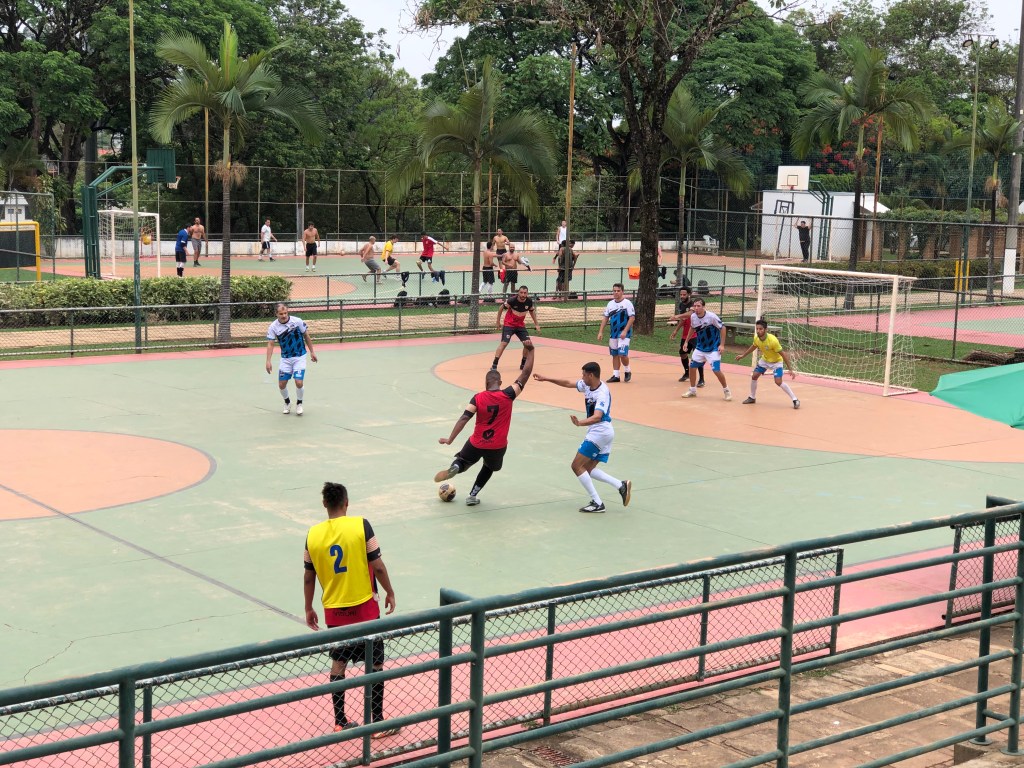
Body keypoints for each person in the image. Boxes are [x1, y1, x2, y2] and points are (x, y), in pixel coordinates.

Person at [303, 481, 399, 736]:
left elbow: (308, 576)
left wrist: (308, 607)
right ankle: (376, 722)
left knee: (339, 663)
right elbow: (377, 566)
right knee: (375, 663)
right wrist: (389, 591)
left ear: (325, 504)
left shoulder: (312, 534)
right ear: (347, 502)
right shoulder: (361, 525)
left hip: (335, 611)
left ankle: (340, 721)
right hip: (365, 609)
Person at [435, 346, 535, 506]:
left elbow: (463, 419)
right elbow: (525, 373)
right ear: (500, 382)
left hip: (476, 442)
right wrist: (531, 351)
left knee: (463, 460)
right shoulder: (508, 394)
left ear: (485, 383)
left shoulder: (478, 398)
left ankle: (456, 467)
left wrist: (450, 439)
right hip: (498, 446)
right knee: (489, 467)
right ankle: (472, 496)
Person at [533, 362, 631, 514]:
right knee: (588, 468)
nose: (582, 377)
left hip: (599, 432)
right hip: (602, 433)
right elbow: (567, 383)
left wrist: (579, 423)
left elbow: (597, 417)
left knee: (576, 466)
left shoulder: (602, 393)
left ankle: (597, 503)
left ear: (591, 375)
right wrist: (546, 378)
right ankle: (621, 485)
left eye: (584, 375)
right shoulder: (587, 385)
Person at [265, 303, 318, 415]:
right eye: (281, 314)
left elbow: (306, 336)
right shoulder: (273, 327)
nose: (284, 316)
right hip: (286, 358)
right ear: (276, 314)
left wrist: (312, 352)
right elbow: (270, 344)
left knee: (298, 382)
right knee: (282, 384)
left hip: (300, 356)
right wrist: (268, 361)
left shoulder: (297, 321)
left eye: (285, 313)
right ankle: (287, 402)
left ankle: (299, 403)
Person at [735, 319, 800, 409]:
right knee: (754, 376)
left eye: (760, 329)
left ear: (766, 329)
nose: (758, 331)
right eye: (757, 329)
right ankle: (752, 397)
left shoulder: (773, 340)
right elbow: (753, 346)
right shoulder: (757, 338)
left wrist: (790, 369)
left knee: (778, 382)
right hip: (765, 360)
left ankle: (795, 399)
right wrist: (743, 355)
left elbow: (783, 354)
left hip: (776, 362)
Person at [681, 298, 731, 401]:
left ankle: (726, 391)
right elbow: (692, 328)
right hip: (700, 347)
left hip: (713, 348)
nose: (696, 308)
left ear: (703, 307)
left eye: (698, 306)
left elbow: (723, 328)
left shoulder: (711, 317)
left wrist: (722, 345)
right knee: (692, 367)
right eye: (695, 306)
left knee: (716, 370)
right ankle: (692, 390)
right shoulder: (693, 317)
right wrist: (686, 341)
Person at [492, 285, 540, 372]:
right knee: (504, 343)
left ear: (527, 294)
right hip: (509, 324)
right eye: (521, 292)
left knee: (527, 343)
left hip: (520, 325)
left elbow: (532, 312)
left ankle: (523, 363)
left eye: (525, 293)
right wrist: (498, 322)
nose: (523, 295)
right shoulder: (512, 300)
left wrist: (536, 324)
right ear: (518, 293)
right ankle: (494, 364)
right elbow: (501, 308)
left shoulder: (529, 302)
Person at [597, 283, 635, 383]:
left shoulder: (627, 303)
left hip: (624, 334)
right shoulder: (610, 304)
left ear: (622, 291)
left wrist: (625, 330)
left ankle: (627, 371)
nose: (616, 293)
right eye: (614, 291)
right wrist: (600, 331)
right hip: (613, 333)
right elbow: (605, 317)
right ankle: (616, 375)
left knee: (622, 354)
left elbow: (632, 317)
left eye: (618, 291)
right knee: (614, 354)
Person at [669, 286, 703, 386]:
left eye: (684, 294)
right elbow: (683, 319)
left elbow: (690, 314)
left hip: (695, 334)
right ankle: (687, 373)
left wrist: (677, 316)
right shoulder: (681, 305)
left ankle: (701, 379)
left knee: (698, 357)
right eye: (681, 294)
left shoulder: (693, 304)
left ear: (689, 294)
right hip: (686, 335)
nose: (682, 296)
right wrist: (676, 330)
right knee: (683, 353)